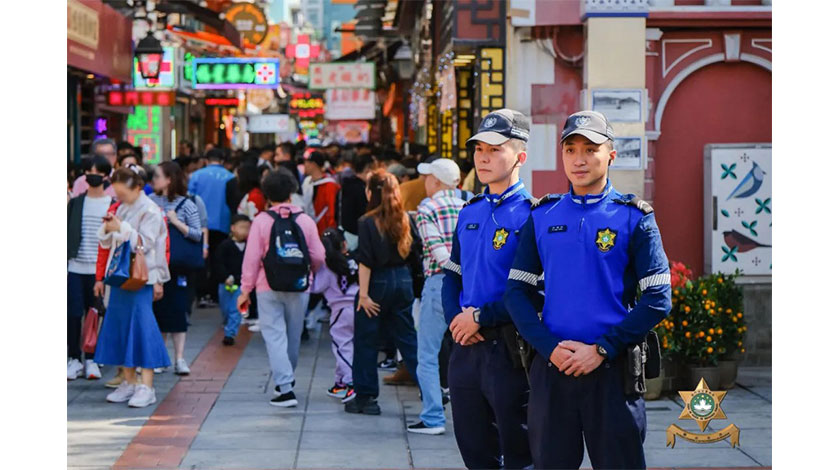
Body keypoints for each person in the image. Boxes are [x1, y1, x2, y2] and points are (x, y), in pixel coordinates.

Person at [504, 111, 672, 470]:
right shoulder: (542, 216)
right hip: (553, 371)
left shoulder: (634, 217)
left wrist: (602, 349)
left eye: (590, 149)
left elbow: (658, 299)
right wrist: (549, 349)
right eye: (570, 149)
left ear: (611, 154)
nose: (579, 159)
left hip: (612, 374)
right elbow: (516, 292)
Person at [441, 109, 534, 469]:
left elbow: (532, 290)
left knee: (519, 450)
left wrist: (481, 317)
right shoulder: (470, 211)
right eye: (479, 148)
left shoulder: (532, 215)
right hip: (466, 348)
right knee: (473, 448)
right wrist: (457, 321)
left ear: (520, 157)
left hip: (508, 349)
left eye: (495, 149)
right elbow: (453, 274)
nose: (483, 156)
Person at [238, 168, 325, 408]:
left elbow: (252, 258)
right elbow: (319, 254)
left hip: (267, 286)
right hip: (300, 286)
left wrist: (245, 289)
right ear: (291, 192)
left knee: (274, 335)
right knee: (293, 335)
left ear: (266, 194)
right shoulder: (305, 220)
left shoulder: (261, 221)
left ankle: (285, 386)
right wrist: (310, 272)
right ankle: (285, 380)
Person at [93, 165, 171, 408]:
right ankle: (129, 382)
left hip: (140, 277)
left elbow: (146, 243)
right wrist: (108, 228)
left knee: (140, 328)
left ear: (137, 187)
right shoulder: (124, 207)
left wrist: (121, 229)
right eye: (117, 194)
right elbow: (109, 241)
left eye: (123, 194)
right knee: (119, 327)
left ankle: (146, 386)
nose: (119, 198)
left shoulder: (150, 210)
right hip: (121, 276)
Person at [345, 169, 422, 416]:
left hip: (377, 282)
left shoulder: (367, 221)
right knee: (408, 339)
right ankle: (432, 389)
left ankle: (366, 398)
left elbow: (365, 261)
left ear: (371, 192)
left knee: (367, 341)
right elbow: (416, 255)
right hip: (403, 280)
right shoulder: (406, 219)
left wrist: (364, 295)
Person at [407, 158, 472, 435]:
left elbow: (437, 251)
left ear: (436, 181)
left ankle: (433, 417)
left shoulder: (427, 208)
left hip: (439, 283)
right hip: (471, 286)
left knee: (428, 354)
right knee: (469, 354)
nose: (424, 183)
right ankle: (474, 419)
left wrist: (452, 274)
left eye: (427, 178)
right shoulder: (471, 205)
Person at [149, 162, 203, 376]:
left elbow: (197, 234)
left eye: (158, 176)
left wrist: (175, 222)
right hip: (156, 265)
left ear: (169, 179)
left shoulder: (188, 203)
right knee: (158, 311)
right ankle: (160, 356)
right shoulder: (150, 202)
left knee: (179, 310)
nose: (154, 180)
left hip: (179, 266)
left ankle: (179, 358)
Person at [67, 155, 113, 381]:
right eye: (89, 170)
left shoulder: (112, 206)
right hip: (75, 267)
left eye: (97, 170)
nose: (92, 174)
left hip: (99, 272)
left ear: (106, 175)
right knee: (73, 315)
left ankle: (92, 358)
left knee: (95, 315)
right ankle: (74, 358)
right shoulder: (76, 202)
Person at [311, 228, 359, 402]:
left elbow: (316, 287)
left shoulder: (327, 267)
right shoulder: (354, 262)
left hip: (340, 311)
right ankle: (340, 383)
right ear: (344, 244)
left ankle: (352, 382)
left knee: (342, 347)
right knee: (351, 345)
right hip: (359, 306)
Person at [188, 148, 234, 305]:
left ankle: (201, 294)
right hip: (223, 222)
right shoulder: (230, 177)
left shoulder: (196, 175)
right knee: (218, 259)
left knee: (202, 259)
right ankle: (215, 294)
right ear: (222, 161)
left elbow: (190, 198)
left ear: (206, 160)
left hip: (199, 223)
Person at [215, 215, 251, 345]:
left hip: (241, 284)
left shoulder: (250, 247)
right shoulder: (225, 246)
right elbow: (218, 263)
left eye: (247, 228)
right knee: (225, 308)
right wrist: (224, 277)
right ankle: (227, 323)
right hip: (225, 283)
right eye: (242, 227)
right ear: (233, 228)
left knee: (235, 309)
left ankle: (230, 334)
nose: (245, 231)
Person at [336, 152, 372, 250]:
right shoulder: (362, 189)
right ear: (368, 170)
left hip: (344, 233)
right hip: (357, 236)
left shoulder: (344, 186)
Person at [302, 151, 341, 233]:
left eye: (306, 162)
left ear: (314, 164)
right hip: (307, 228)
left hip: (323, 230)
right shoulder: (307, 181)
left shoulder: (330, 185)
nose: (304, 165)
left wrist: (331, 231)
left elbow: (332, 210)